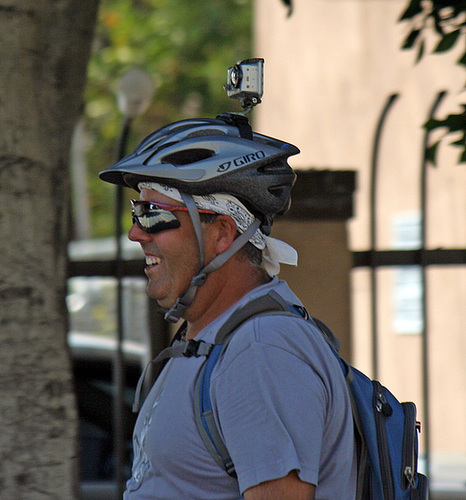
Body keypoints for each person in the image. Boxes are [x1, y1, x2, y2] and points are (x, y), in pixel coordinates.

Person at [99, 114, 356, 499]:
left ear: (221, 233)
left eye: (154, 215)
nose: (136, 232)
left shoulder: (260, 352)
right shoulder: (215, 342)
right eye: (138, 212)